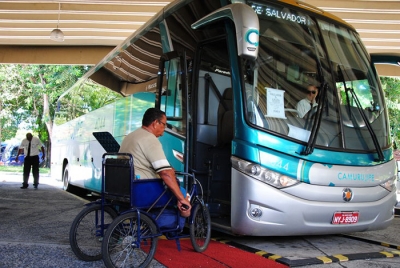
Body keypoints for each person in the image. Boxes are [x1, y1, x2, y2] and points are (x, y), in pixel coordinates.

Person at [118, 108, 191, 217]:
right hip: (142, 189)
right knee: (183, 194)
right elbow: (165, 173)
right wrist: (181, 198)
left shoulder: (130, 136)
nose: (163, 131)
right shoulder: (150, 139)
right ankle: (177, 225)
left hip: (124, 186)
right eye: (164, 125)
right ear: (155, 123)